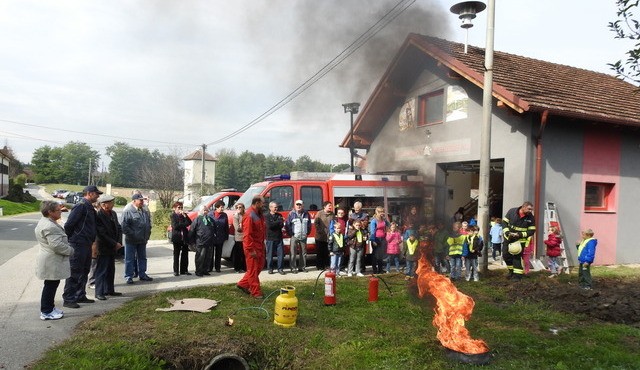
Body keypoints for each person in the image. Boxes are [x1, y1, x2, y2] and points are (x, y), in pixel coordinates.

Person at [62, 185, 101, 309]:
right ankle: (68, 298)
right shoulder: (81, 206)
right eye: (96, 193)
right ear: (89, 193)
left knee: (84, 270)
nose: (98, 196)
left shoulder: (89, 207)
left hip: (86, 243)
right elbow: (69, 225)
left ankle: (80, 295)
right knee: (75, 271)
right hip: (78, 244)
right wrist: (74, 239)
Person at [35, 201, 74, 320]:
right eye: (58, 210)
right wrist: (71, 250)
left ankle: (50, 308)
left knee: (52, 285)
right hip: (51, 260)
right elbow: (56, 245)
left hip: (51, 259)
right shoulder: (49, 226)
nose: (60, 211)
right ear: (50, 212)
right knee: (50, 286)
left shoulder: (47, 222)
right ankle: (46, 311)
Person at [94, 194, 123, 300]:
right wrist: (114, 243)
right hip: (103, 247)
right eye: (110, 202)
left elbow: (119, 228)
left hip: (113, 246)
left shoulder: (113, 213)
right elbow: (101, 233)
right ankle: (99, 292)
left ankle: (109, 290)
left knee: (111, 269)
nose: (112, 204)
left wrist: (118, 242)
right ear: (103, 204)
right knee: (101, 270)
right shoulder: (99, 215)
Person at [237, 196, 266, 299]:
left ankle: (243, 283)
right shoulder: (249, 215)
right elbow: (247, 235)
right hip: (252, 247)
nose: (264, 205)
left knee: (259, 267)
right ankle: (256, 292)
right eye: (263, 203)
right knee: (253, 270)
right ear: (257, 203)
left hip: (260, 246)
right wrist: (251, 249)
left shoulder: (259, 214)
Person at [122, 193, 153, 284]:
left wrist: (147, 235)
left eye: (143, 200)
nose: (142, 202)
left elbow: (148, 224)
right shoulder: (128, 211)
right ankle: (129, 276)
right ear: (134, 201)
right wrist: (133, 234)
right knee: (129, 259)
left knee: (142, 258)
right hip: (131, 240)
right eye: (140, 200)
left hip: (142, 240)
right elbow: (124, 226)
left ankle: (142, 274)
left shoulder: (144, 211)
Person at [502, 201, 536, 281]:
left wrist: (519, 235)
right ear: (523, 207)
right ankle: (511, 272)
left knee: (516, 258)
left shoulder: (531, 217)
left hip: (520, 241)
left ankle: (518, 276)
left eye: (531, 209)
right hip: (508, 239)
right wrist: (507, 232)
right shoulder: (512, 211)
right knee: (506, 256)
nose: (530, 211)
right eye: (529, 209)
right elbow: (504, 223)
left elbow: (531, 231)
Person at [285, 199, 311, 273]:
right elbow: (287, 225)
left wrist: (307, 233)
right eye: (297, 205)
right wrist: (291, 234)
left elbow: (309, 225)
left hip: (303, 236)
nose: (299, 206)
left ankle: (302, 267)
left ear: (303, 206)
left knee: (303, 253)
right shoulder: (291, 214)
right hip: (294, 236)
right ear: (295, 206)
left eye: (300, 205)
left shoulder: (306, 214)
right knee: (293, 253)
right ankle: (293, 268)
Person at [189, 206, 215, 277]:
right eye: (204, 210)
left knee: (208, 257)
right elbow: (192, 230)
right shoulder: (197, 219)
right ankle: (198, 271)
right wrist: (191, 242)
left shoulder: (210, 220)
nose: (205, 212)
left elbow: (214, 229)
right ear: (201, 211)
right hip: (201, 242)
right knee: (200, 257)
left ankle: (205, 270)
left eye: (207, 210)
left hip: (209, 242)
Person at [170, 201, 192, 276]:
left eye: (181, 207)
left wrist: (185, 216)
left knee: (185, 254)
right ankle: (176, 271)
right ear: (174, 208)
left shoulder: (183, 215)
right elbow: (175, 226)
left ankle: (184, 270)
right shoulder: (173, 216)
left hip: (184, 237)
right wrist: (184, 224)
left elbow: (189, 222)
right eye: (179, 207)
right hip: (177, 237)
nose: (180, 209)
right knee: (176, 254)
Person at [208, 200, 229, 273]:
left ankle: (217, 267)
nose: (222, 209)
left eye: (223, 207)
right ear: (217, 207)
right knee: (211, 253)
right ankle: (209, 267)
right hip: (212, 237)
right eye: (221, 207)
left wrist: (226, 236)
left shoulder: (224, 215)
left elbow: (226, 226)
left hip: (220, 237)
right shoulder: (210, 214)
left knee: (218, 253)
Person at [265, 201, 285, 275]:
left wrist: (277, 222)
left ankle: (280, 268)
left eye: (277, 207)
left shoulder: (279, 215)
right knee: (270, 255)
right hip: (270, 238)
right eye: (275, 207)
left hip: (279, 237)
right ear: (270, 208)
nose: (276, 208)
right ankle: (270, 268)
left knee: (281, 254)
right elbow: (270, 226)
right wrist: (278, 221)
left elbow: (281, 225)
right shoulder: (266, 216)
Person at [368, 206, 389, 273]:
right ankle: (375, 269)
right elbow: (372, 231)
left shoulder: (384, 220)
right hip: (376, 238)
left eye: (382, 212)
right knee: (375, 255)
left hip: (383, 238)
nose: (382, 213)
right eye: (380, 212)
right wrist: (373, 240)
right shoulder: (373, 221)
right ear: (376, 212)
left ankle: (380, 269)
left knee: (381, 254)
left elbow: (389, 225)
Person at [314, 201, 334, 271]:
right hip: (320, 237)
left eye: (331, 206)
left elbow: (334, 223)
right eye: (329, 206)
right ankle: (319, 266)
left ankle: (326, 265)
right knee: (320, 252)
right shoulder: (319, 213)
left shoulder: (332, 214)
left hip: (328, 237)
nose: (330, 207)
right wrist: (319, 231)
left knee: (326, 252)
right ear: (324, 206)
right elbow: (316, 223)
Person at [232, 202, 247, 273]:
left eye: (240, 207)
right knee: (238, 254)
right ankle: (237, 268)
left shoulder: (246, 215)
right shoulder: (236, 216)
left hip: (246, 237)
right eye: (237, 208)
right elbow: (237, 228)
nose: (239, 209)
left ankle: (244, 267)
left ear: (243, 208)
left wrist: (242, 225)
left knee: (245, 254)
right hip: (239, 237)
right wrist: (242, 225)